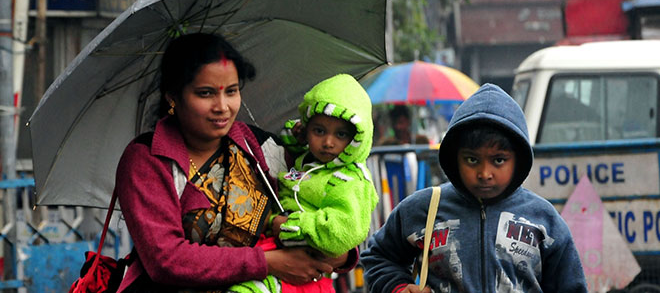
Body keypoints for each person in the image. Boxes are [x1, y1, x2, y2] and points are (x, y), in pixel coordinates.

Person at [115, 33, 355, 292]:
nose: (223, 106)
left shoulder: (260, 147)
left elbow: (313, 199)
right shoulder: (148, 160)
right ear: (173, 97)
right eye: (205, 94)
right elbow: (166, 258)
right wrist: (266, 262)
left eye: (231, 91)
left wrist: (336, 252)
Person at [360, 83, 587, 293]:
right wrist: (398, 288)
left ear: (518, 159)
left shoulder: (543, 219)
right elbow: (378, 257)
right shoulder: (425, 208)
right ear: (454, 158)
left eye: (498, 160)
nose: (484, 173)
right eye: (471, 160)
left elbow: (571, 286)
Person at [228, 74, 379, 292]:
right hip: (274, 254)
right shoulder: (309, 160)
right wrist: (296, 135)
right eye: (319, 131)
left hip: (306, 273)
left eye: (341, 134)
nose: (328, 142)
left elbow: (342, 231)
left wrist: (292, 226)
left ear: (357, 138)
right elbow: (294, 146)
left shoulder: (350, 180)